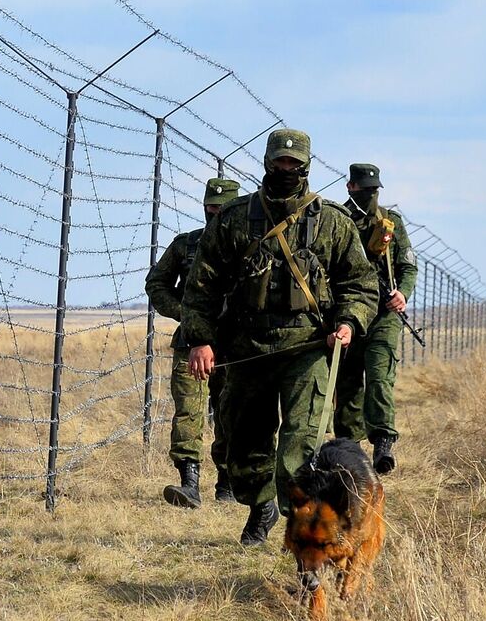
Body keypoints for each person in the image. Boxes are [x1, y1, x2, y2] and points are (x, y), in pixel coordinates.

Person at [177, 130, 380, 546]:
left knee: (298, 448)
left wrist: (348, 322)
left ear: (306, 165)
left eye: (294, 164)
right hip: (246, 348)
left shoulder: (332, 221)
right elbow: (202, 287)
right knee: (244, 449)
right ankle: (261, 504)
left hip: (307, 349)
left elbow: (360, 284)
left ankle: (304, 537)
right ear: (268, 161)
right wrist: (201, 339)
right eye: (280, 162)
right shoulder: (234, 220)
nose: (286, 170)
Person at [145, 177, 242, 509]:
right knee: (189, 412)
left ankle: (227, 483)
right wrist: (184, 314)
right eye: (209, 208)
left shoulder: (248, 247)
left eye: (221, 209)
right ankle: (189, 483)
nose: (214, 214)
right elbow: (157, 283)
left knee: (231, 414)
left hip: (234, 347)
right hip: (190, 345)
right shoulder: (186, 245)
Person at [333, 163, 416, 474]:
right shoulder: (337, 220)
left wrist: (403, 293)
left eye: (374, 190)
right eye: (364, 189)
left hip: (383, 315)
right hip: (348, 314)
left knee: (379, 377)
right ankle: (349, 447)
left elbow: (408, 266)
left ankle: (382, 442)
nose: (370, 194)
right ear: (350, 187)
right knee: (348, 381)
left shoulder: (391, 222)